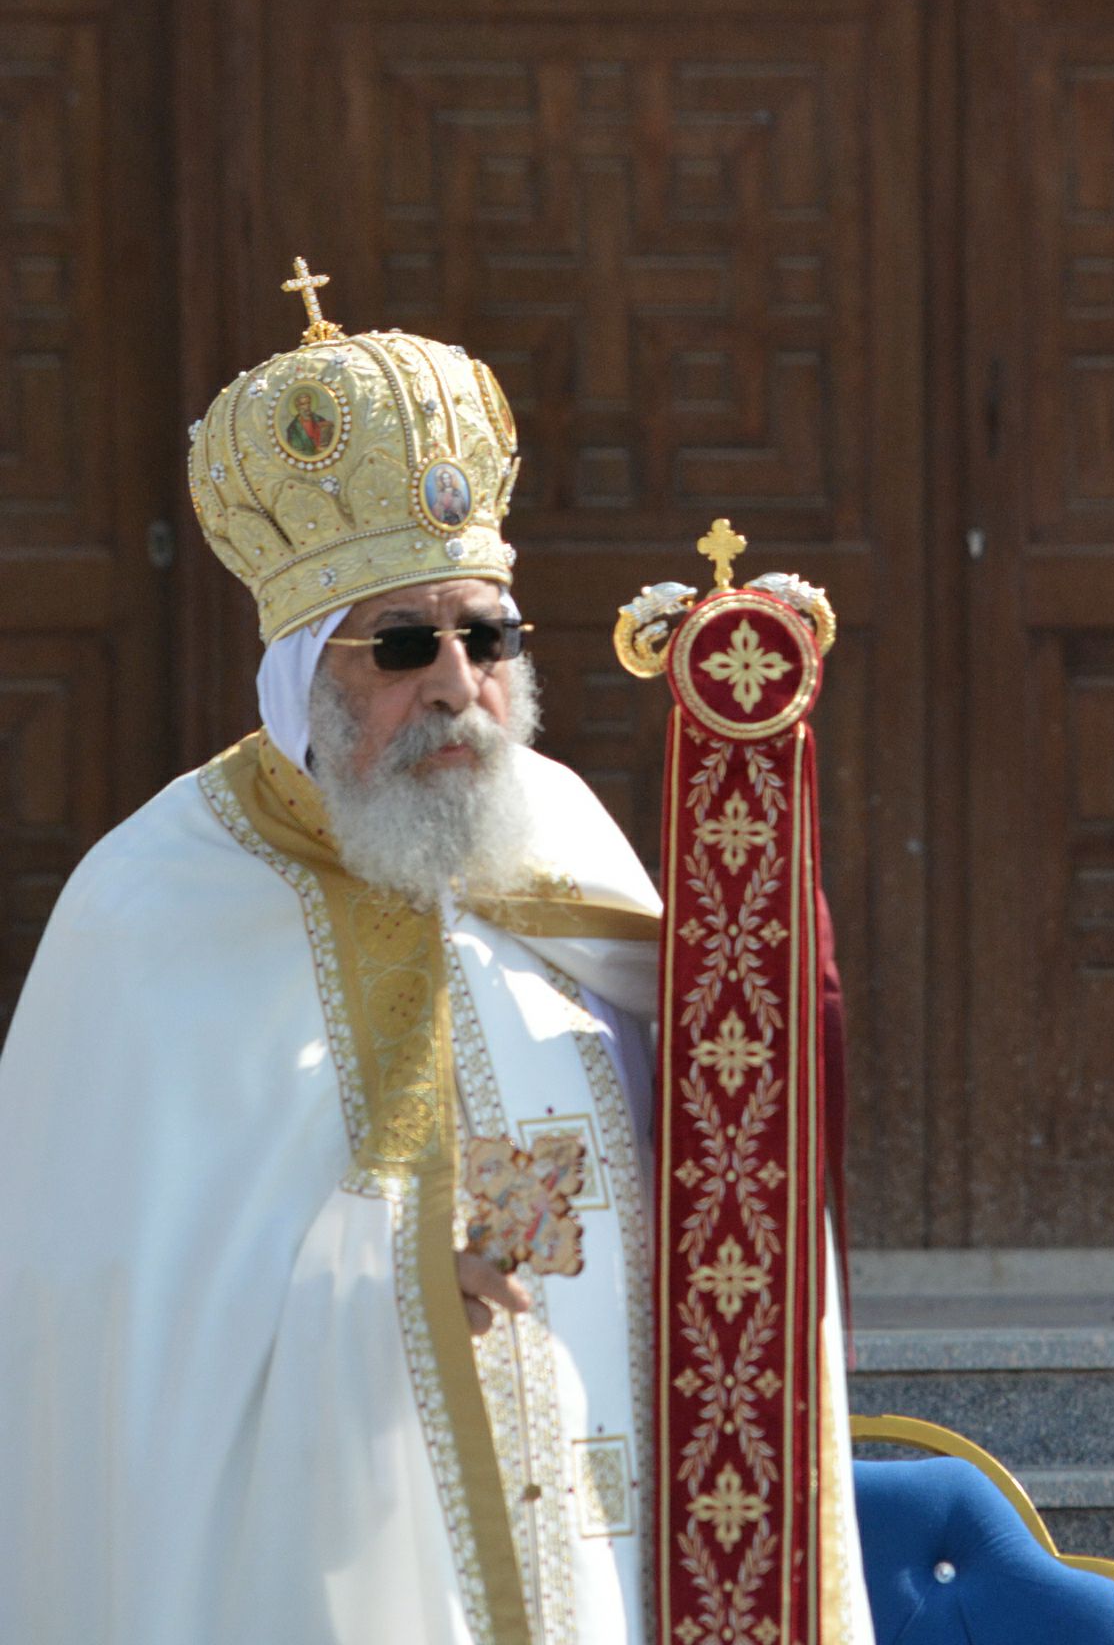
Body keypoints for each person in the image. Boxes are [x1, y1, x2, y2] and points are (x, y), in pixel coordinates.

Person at [0, 276, 875, 1644]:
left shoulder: (561, 833)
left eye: (489, 637)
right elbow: (107, 1315)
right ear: (305, 673)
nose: (460, 684)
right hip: (342, 1551)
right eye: (406, 644)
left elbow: (723, 1116)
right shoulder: (155, 908)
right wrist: (395, 1285)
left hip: (610, 1517)